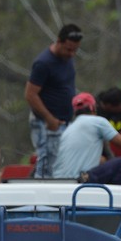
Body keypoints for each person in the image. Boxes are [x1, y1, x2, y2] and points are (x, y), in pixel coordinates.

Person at [52, 92, 121, 185]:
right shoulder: (98, 122)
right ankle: (108, 200)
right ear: (93, 108)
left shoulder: (68, 129)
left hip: (61, 182)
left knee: (103, 162)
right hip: (80, 180)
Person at [25, 23, 84, 178]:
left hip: (64, 122)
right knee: (47, 161)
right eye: (68, 49)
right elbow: (30, 94)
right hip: (45, 122)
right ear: (59, 41)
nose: (71, 53)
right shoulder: (43, 63)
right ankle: (40, 197)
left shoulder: (67, 59)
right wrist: (49, 118)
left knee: (59, 162)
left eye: (75, 50)